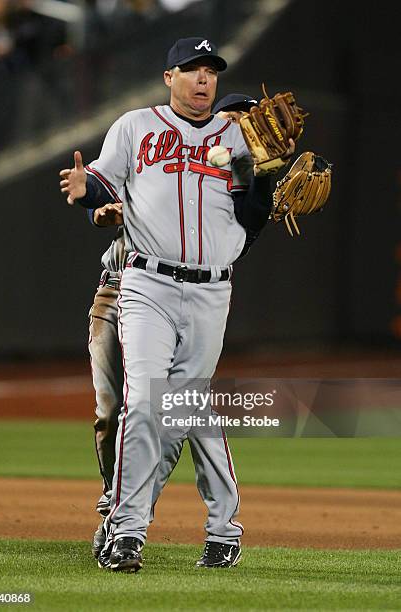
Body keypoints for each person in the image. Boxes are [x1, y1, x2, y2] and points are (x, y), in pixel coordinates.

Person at [60, 36, 293, 573]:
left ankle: (223, 530)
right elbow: (99, 182)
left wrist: (265, 176)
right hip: (147, 287)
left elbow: (252, 216)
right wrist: (83, 188)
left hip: (212, 291)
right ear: (170, 77)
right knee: (142, 401)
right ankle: (126, 532)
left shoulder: (238, 136)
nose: (204, 78)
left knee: (182, 409)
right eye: (192, 69)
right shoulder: (135, 127)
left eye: (211, 69)